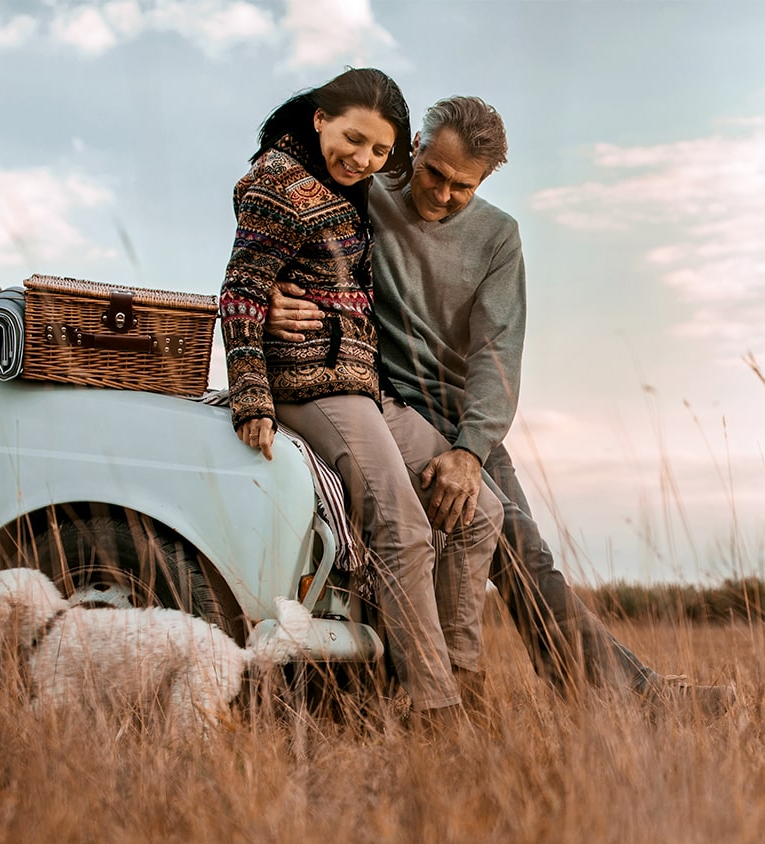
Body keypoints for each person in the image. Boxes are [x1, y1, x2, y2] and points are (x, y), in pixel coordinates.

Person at [267, 95, 735, 711]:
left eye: (462, 186)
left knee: (522, 551)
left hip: (461, 422)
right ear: (416, 150)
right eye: (433, 173)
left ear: (483, 181)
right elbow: (286, 207)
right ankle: (425, 693)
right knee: (410, 537)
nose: (441, 193)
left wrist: (470, 450)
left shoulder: (497, 237)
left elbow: (497, 354)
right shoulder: (369, 189)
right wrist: (272, 288)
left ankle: (628, 696)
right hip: (377, 404)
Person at [219, 69, 504, 723]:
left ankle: (455, 673)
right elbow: (239, 289)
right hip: (310, 383)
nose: (364, 159)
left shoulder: (354, 187)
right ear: (320, 120)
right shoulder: (276, 180)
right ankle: (438, 711)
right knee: (404, 526)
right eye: (353, 139)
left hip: (364, 388)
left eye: (379, 150)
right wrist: (253, 399)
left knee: (482, 506)